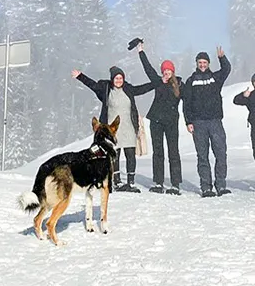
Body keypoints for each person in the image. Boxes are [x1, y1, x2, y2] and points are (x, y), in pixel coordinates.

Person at [73, 65, 154, 192]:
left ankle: (131, 183)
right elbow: (92, 85)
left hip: (129, 127)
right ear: (112, 79)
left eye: (121, 78)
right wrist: (80, 76)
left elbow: (142, 89)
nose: (119, 81)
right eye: (116, 78)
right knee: (114, 155)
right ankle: (117, 182)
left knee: (130, 154)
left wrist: (157, 83)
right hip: (113, 129)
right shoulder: (105, 90)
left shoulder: (128, 89)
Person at [181, 46, 232, 197]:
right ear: (196, 64)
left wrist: (222, 58)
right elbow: (186, 104)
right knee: (202, 156)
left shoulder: (215, 78)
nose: (202, 65)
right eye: (200, 62)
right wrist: (188, 122)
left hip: (215, 121)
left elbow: (226, 70)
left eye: (205, 62)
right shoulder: (191, 81)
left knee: (221, 153)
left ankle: (221, 185)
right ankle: (206, 187)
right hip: (198, 123)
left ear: (208, 63)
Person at [135, 41, 184, 194]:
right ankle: (158, 183)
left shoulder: (180, 85)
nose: (166, 73)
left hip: (171, 122)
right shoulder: (157, 82)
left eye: (169, 71)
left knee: (173, 152)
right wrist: (141, 52)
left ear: (173, 72)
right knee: (158, 152)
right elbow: (147, 69)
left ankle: (175, 184)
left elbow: (189, 102)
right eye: (164, 71)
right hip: (156, 120)